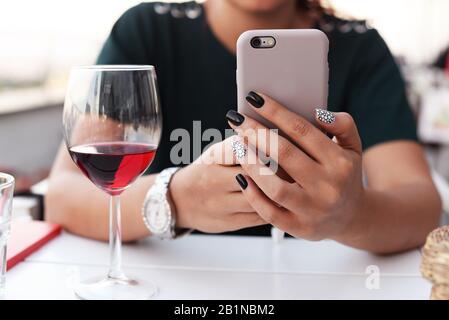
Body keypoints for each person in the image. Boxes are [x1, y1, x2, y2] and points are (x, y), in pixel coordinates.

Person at [46, 0, 442, 254]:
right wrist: (175, 200)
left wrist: (352, 215)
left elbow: (422, 205)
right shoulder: (148, 30)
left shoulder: (360, 46)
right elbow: (63, 194)